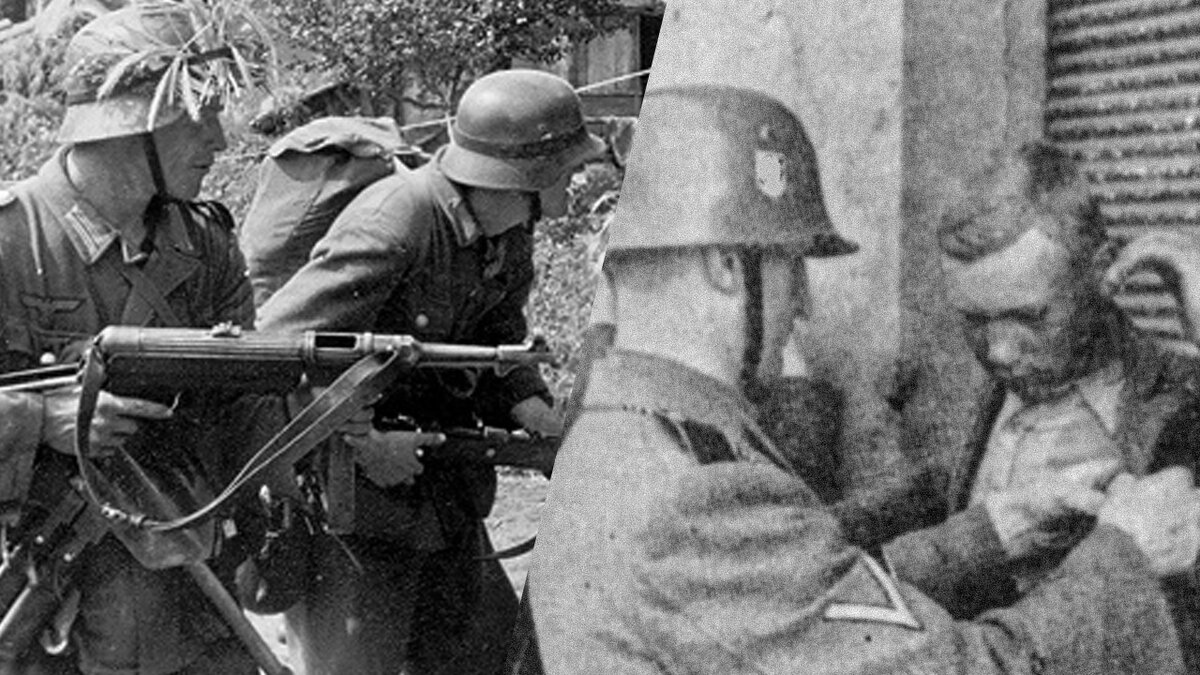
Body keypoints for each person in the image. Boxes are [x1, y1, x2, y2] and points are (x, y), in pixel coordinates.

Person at [518, 83, 1200, 674]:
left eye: (1030, 316)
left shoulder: (618, 434)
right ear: (727, 267)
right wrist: (1125, 555)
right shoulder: (689, 489)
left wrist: (990, 533)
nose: (803, 305)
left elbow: (800, 604)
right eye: (792, 267)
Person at [255, 68, 605, 675]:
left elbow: (497, 335)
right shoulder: (397, 222)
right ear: (526, 174)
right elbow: (279, 349)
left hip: (443, 498)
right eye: (567, 170)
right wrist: (363, 442)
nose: (575, 183)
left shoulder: (507, 234)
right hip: (353, 514)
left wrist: (532, 408)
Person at [0, 2, 271, 673]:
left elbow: (249, 405)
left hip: (193, 596)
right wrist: (41, 419)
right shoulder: (10, 239)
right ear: (133, 125)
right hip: (50, 612)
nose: (220, 141)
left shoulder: (204, 244)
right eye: (200, 116)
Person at [919, 142, 1200, 665]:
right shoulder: (955, 400)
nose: (999, 352)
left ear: (1100, 270)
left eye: (1030, 318)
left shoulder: (1180, 400)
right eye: (975, 320)